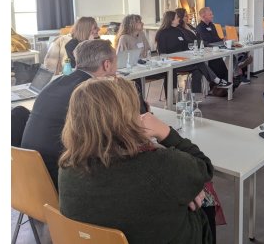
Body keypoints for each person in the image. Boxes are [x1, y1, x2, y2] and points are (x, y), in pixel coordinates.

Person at [58, 77, 214, 244]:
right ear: (130, 117)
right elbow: (204, 168)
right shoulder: (160, 166)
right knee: (207, 199)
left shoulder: (67, 167)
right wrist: (165, 132)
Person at [21, 39, 149, 188]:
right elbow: (119, 130)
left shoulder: (56, 83)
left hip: (30, 177)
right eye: (116, 62)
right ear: (106, 65)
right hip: (63, 179)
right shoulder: (91, 92)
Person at [156, 10, 231, 95]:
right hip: (172, 63)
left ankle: (194, 97)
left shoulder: (178, 31)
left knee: (198, 68)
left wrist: (193, 49)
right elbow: (162, 53)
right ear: (171, 20)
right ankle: (217, 81)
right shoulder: (162, 34)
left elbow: (185, 45)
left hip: (184, 60)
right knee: (199, 65)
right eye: (177, 17)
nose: (179, 19)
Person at [195, 7, 253, 84]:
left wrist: (223, 40)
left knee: (235, 51)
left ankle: (237, 69)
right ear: (203, 16)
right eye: (210, 14)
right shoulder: (200, 28)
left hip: (218, 46)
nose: (213, 16)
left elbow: (216, 38)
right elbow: (207, 41)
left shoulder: (212, 25)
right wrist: (220, 41)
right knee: (231, 54)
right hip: (210, 49)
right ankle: (237, 70)